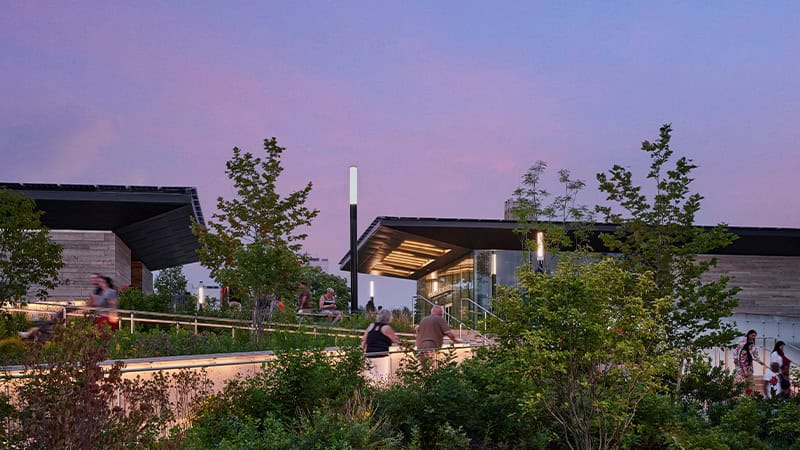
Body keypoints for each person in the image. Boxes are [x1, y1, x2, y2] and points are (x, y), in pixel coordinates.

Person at [361, 308, 401, 383]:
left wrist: (361, 352)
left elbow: (363, 340)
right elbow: (396, 340)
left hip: (369, 355)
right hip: (381, 356)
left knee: (370, 381)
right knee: (382, 379)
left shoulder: (371, 326)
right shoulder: (386, 328)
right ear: (389, 318)